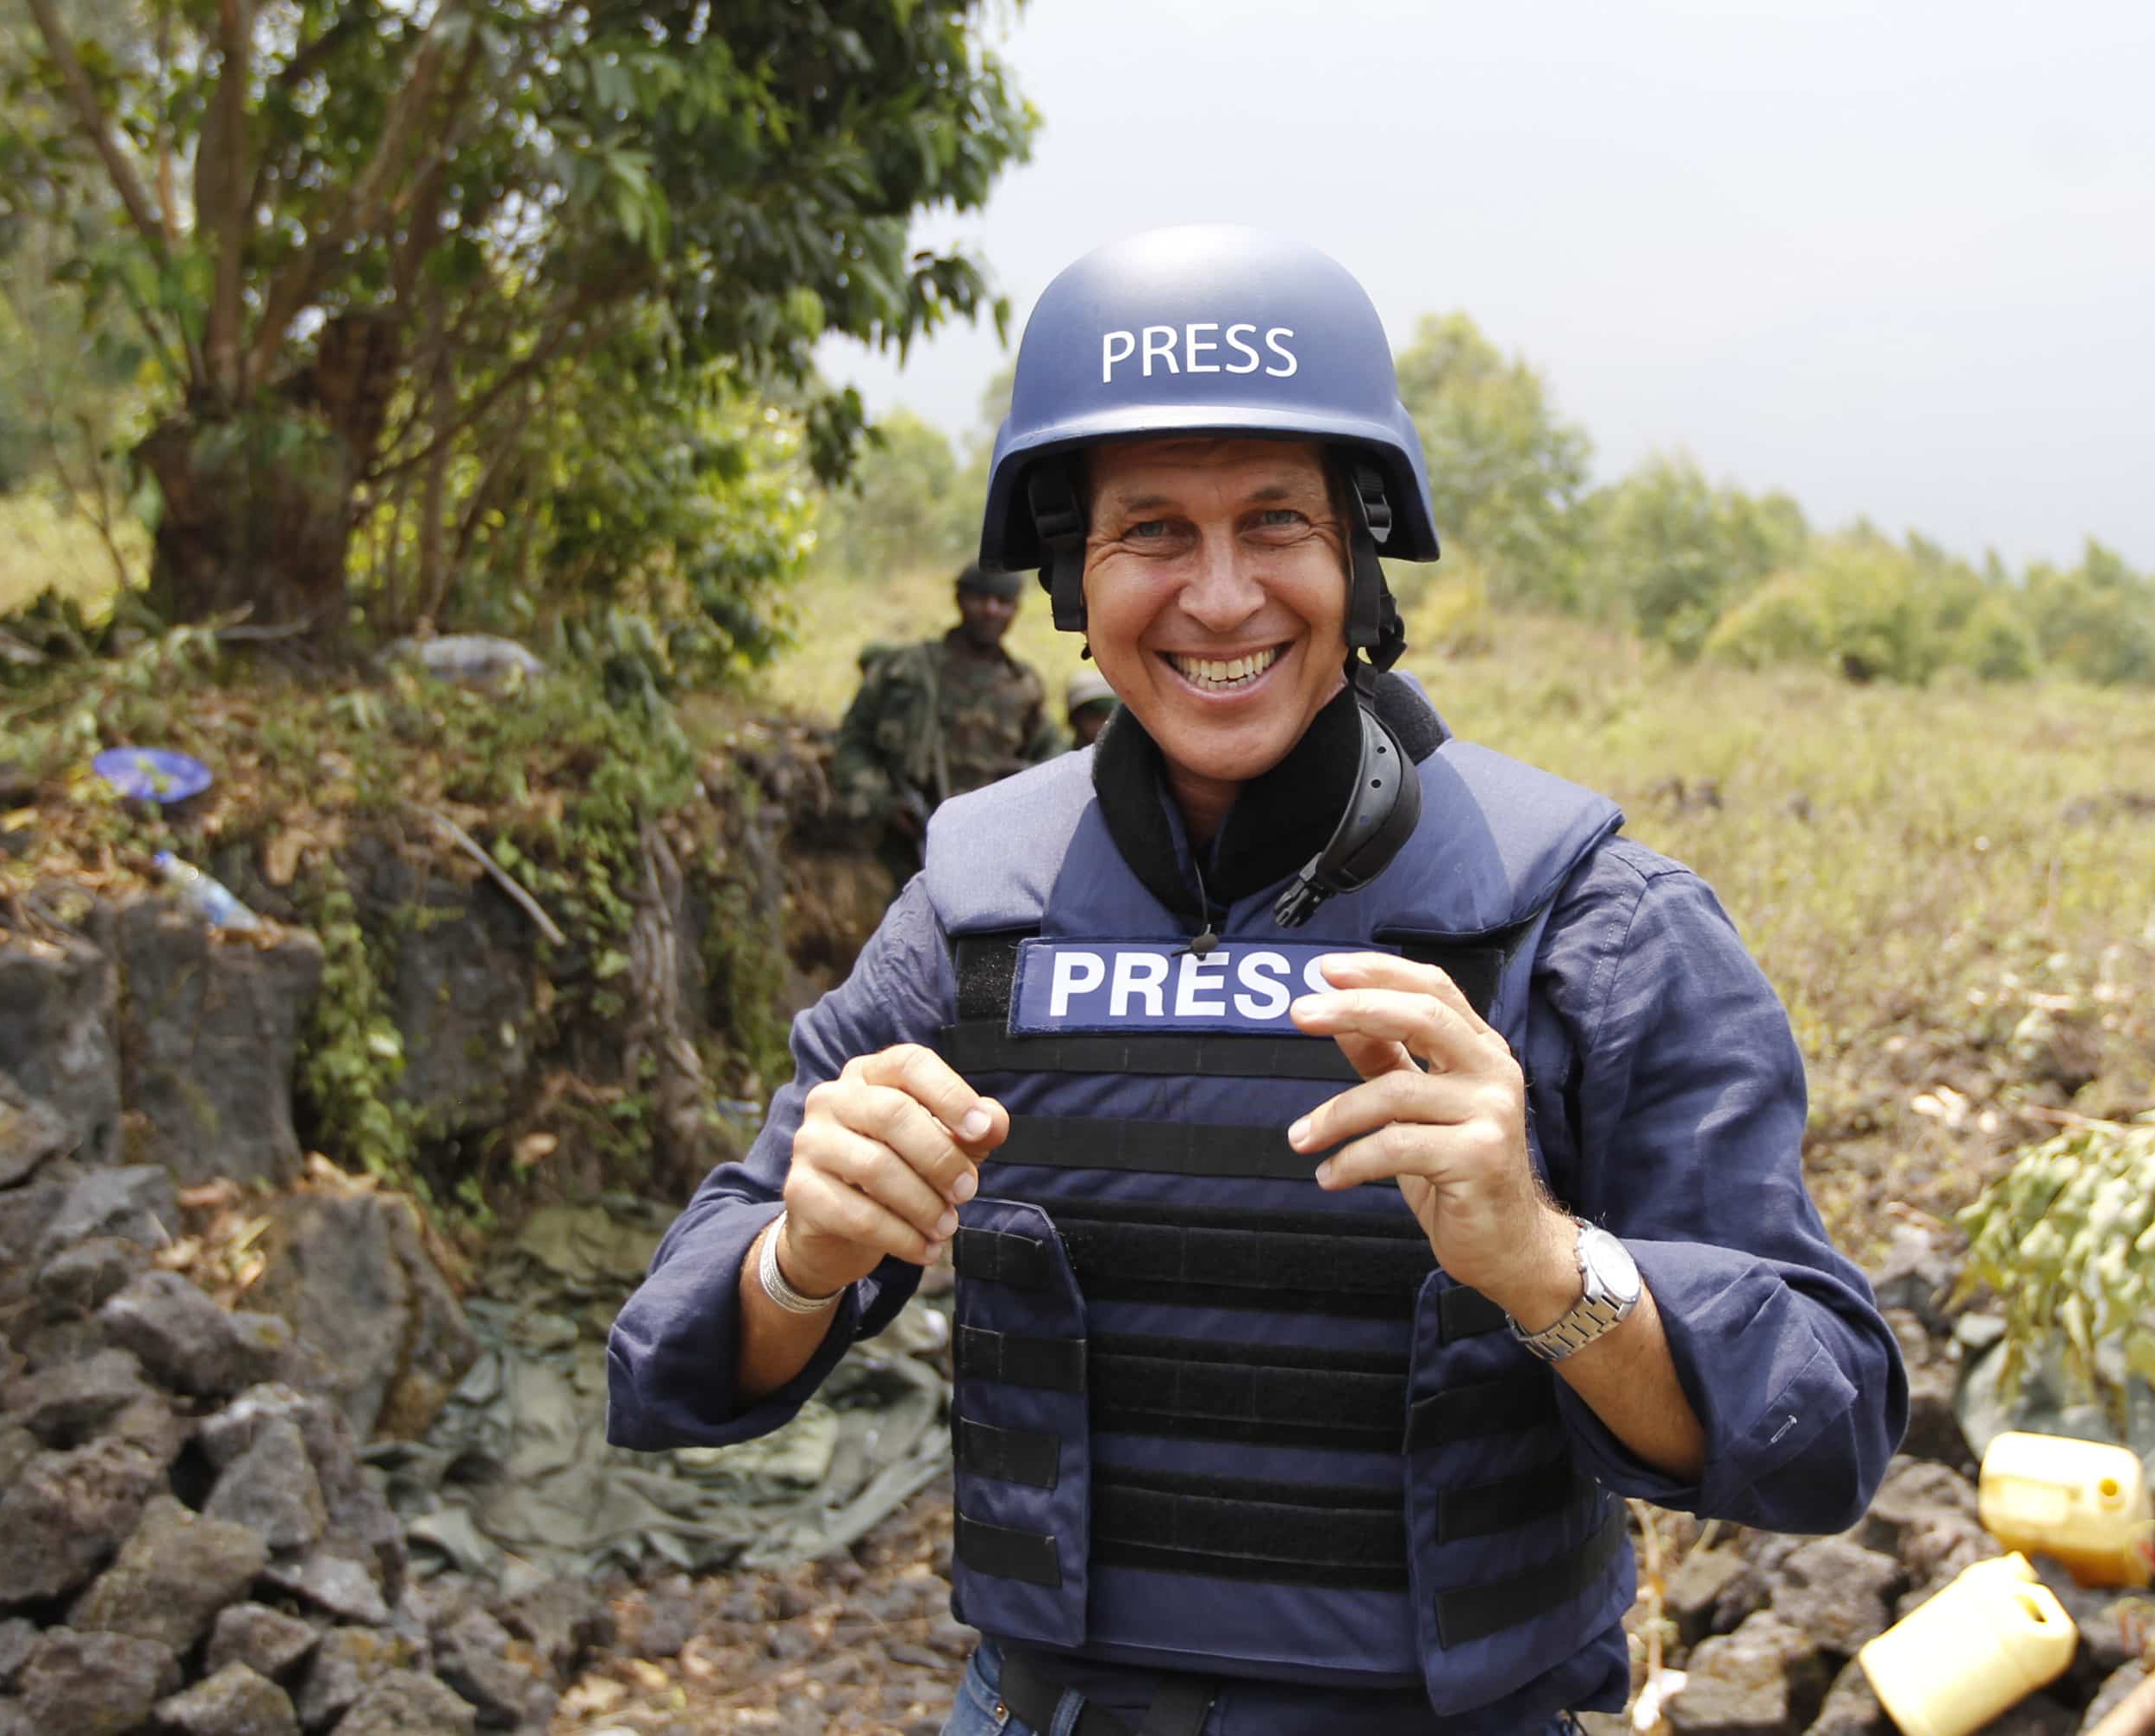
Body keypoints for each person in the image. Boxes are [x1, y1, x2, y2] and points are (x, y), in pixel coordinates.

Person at [606, 225, 1906, 1736]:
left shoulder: (1590, 921)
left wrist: (1550, 1267)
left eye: (1274, 522)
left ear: (1357, 559)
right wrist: (802, 1258)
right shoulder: (974, 911)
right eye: (1152, 530)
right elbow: (671, 1357)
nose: (1220, 597)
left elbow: (1825, 1420)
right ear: (1071, 578)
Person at [831, 563, 1065, 883]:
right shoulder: (904, 671)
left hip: (992, 849)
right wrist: (881, 800)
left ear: (1016, 610)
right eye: (980, 598)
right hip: (902, 850)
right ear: (959, 599)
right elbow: (853, 743)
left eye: (1003, 602)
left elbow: (1052, 761)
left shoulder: (1023, 687)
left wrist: (1020, 802)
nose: (990, 610)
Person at [1065, 665, 1121, 747]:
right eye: (1094, 716)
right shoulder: (1061, 757)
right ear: (1076, 720)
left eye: (1109, 716)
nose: (1104, 724)